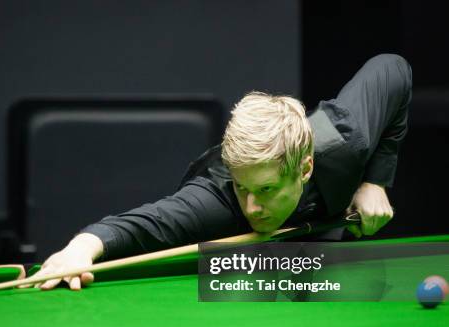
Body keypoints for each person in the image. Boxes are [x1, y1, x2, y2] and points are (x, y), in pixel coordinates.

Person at [27, 54, 412, 291]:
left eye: (265, 189)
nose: (252, 206)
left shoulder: (345, 140)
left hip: (318, 243)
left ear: (305, 167)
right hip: (238, 263)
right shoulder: (219, 202)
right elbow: (142, 225)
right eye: (243, 187)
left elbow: (393, 69)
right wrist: (78, 251)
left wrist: (374, 181)